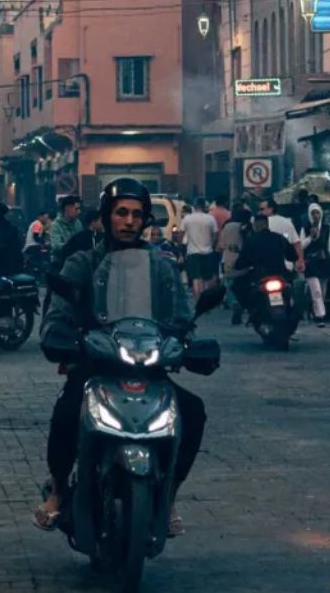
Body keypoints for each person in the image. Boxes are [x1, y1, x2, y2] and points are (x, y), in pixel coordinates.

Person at [34, 178, 207, 537]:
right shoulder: (83, 261)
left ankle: (170, 494)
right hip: (96, 363)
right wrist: (60, 335)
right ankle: (59, 488)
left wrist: (186, 339)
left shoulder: (161, 267)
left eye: (136, 214)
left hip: (148, 364)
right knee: (67, 411)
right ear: (107, 216)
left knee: (192, 410)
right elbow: (58, 311)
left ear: (145, 221)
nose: (129, 221)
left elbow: (181, 311)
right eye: (121, 213)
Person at [300, 202, 330, 326]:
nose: (316, 215)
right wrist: (310, 237)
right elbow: (301, 246)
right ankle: (320, 316)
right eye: (313, 213)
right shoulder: (305, 228)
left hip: (324, 261)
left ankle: (314, 310)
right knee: (316, 290)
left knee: (322, 290)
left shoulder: (327, 229)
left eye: (317, 212)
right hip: (311, 263)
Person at [180, 198, 220, 300]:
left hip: (192, 252)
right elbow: (216, 235)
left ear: (194, 206)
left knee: (195, 278)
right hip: (208, 251)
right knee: (207, 278)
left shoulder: (187, 219)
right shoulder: (210, 219)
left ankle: (198, 300)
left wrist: (181, 246)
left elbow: (180, 235)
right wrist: (212, 244)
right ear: (204, 206)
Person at [219, 204, 247, 324]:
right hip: (245, 260)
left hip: (229, 259)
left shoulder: (227, 226)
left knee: (227, 285)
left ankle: (235, 303)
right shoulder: (247, 226)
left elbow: (222, 244)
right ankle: (242, 303)